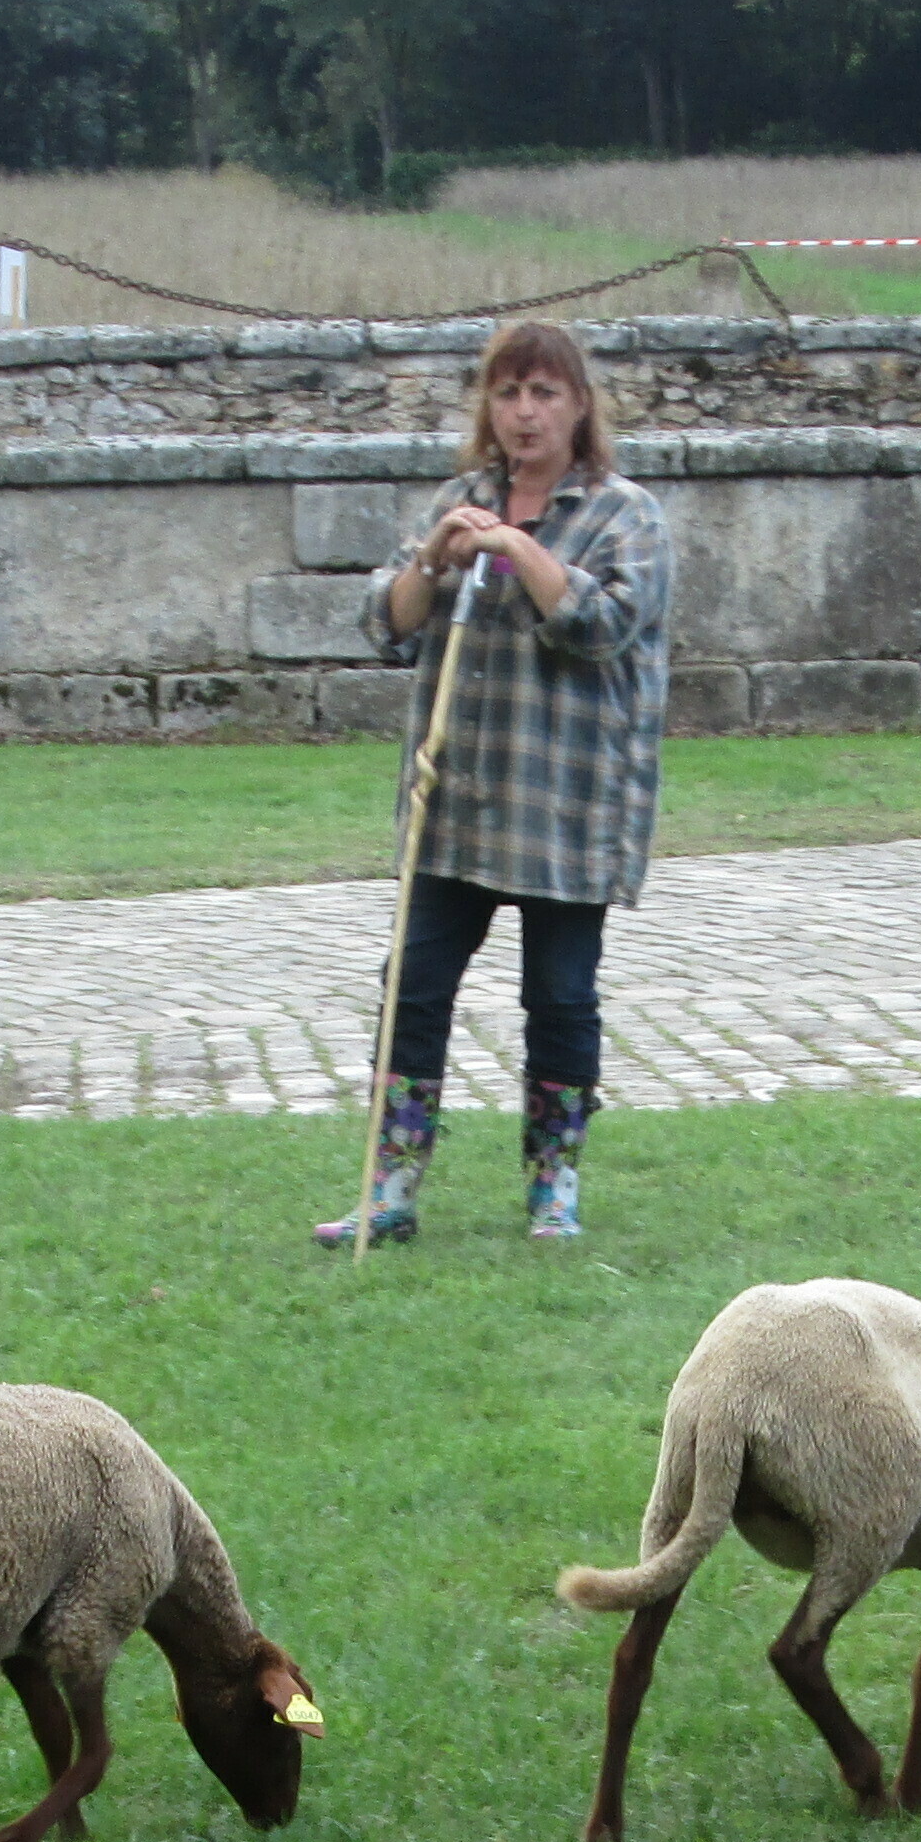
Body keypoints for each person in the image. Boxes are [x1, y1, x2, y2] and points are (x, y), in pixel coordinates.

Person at [313, 318, 674, 1251]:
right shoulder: (459, 499)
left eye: (544, 393)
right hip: (456, 806)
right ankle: (388, 1186)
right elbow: (382, 623)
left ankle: (553, 1184)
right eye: (509, 393)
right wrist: (436, 556)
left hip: (566, 809)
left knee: (558, 1000)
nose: (524, 412)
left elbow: (603, 625)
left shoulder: (624, 513)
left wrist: (518, 550)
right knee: (414, 990)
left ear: (579, 405)